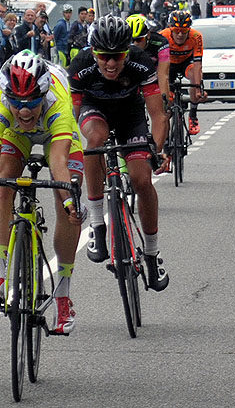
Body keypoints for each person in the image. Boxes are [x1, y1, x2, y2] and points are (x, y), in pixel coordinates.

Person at [0, 51, 83, 334]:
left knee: (66, 196)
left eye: (31, 103)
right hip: (16, 135)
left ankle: (62, 296)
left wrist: (70, 202)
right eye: (17, 103)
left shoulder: (57, 102)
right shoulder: (0, 100)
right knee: (3, 182)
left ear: (44, 94)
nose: (24, 111)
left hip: (55, 134)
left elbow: (59, 161)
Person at [68, 15, 170, 291]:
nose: (111, 63)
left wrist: (155, 150)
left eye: (118, 56)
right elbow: (70, 119)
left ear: (127, 51)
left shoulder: (140, 63)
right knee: (95, 141)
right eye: (104, 57)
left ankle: (151, 252)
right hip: (95, 110)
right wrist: (66, 152)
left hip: (130, 114)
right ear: (94, 52)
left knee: (141, 180)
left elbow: (158, 115)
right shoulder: (80, 65)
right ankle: (98, 223)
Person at [158, 10, 206, 135]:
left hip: (186, 63)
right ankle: (166, 137)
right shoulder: (163, 36)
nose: (180, 34)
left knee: (194, 77)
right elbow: (157, 67)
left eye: (184, 32)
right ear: (170, 29)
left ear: (189, 30)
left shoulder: (196, 37)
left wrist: (198, 87)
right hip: (168, 65)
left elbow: (198, 65)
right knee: (166, 99)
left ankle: (193, 115)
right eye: (176, 30)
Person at [127, 13, 171, 102]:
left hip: (154, 74)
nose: (134, 44)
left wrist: (165, 100)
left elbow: (163, 75)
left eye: (139, 39)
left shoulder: (160, 42)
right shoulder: (122, 43)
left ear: (148, 35)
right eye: (130, 40)